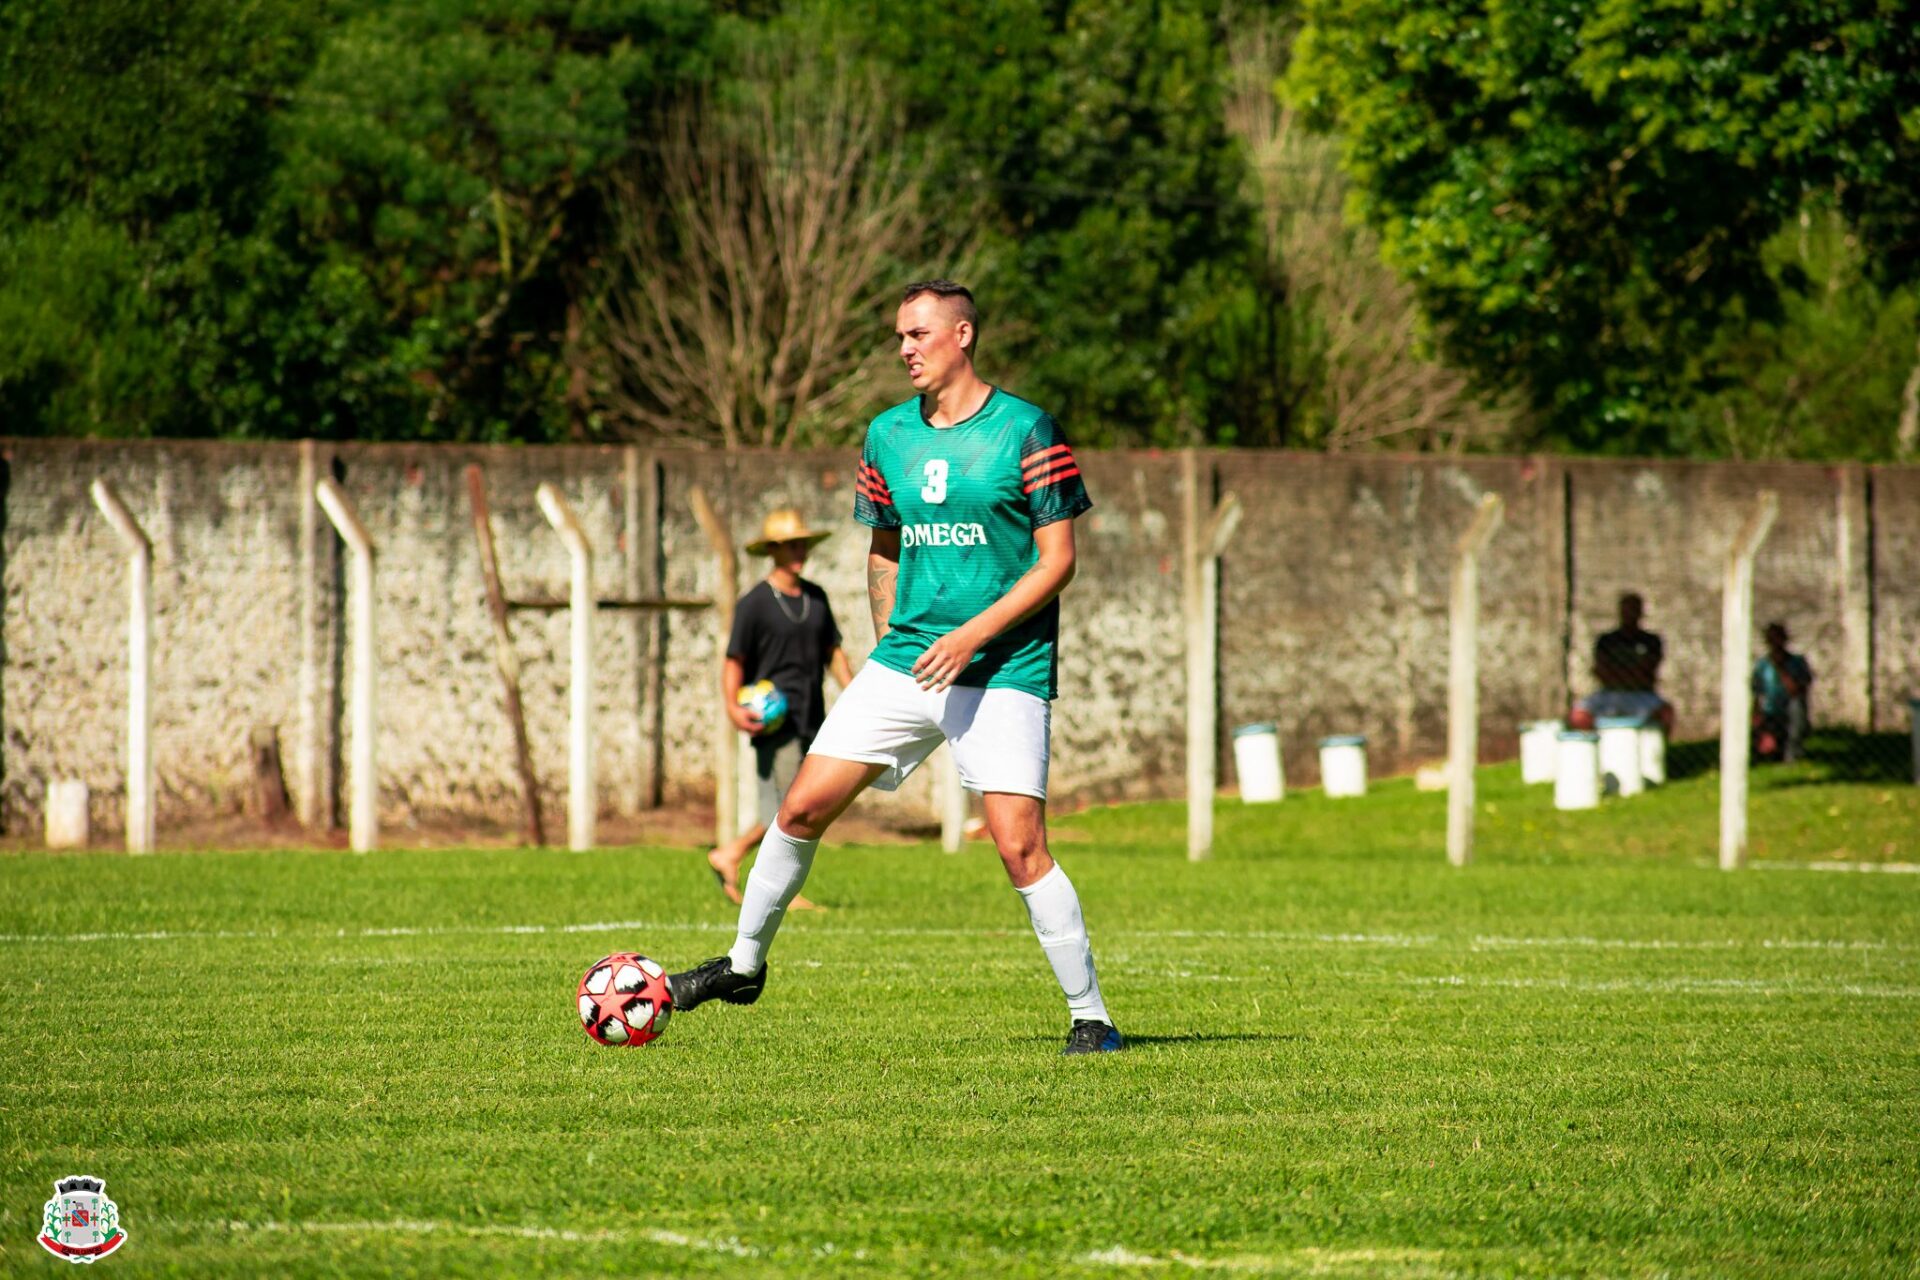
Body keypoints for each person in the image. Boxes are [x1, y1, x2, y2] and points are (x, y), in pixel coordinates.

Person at [665, 279, 1123, 1056]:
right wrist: (894, 646)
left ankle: (1092, 1017)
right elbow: (884, 545)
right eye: (900, 338)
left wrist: (971, 637)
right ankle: (744, 965)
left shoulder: (1026, 430)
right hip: (907, 662)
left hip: (1004, 667)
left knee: (1019, 845)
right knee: (802, 807)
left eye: (919, 334)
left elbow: (1057, 563)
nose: (906, 349)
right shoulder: (887, 436)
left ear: (964, 334)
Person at [707, 509, 855, 909]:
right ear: (772, 550)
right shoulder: (754, 603)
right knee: (791, 805)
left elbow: (833, 652)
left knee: (795, 805)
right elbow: (733, 661)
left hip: (813, 716)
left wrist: (856, 692)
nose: (799, 551)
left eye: (803, 543)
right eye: (791, 545)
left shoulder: (816, 598)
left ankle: (731, 854)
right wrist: (732, 708)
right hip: (774, 721)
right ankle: (777, 887)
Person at [1568, 592, 1675, 735]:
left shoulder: (1651, 641)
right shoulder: (1607, 640)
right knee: (1579, 715)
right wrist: (1628, 674)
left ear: (1641, 612)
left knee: (1665, 714)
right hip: (1609, 693)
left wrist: (1622, 674)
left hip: (1641, 693)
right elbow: (1601, 671)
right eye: (1626, 609)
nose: (1630, 613)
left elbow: (1648, 671)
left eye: (1633, 609)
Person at [1751, 621, 1813, 763]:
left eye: (1778, 638)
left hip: (1791, 710)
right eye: (1771, 640)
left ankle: (1792, 754)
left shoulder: (1797, 662)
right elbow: (1757, 694)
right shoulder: (1762, 665)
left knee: (1796, 707)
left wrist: (1781, 668)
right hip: (1770, 712)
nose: (1775, 643)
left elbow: (1796, 690)